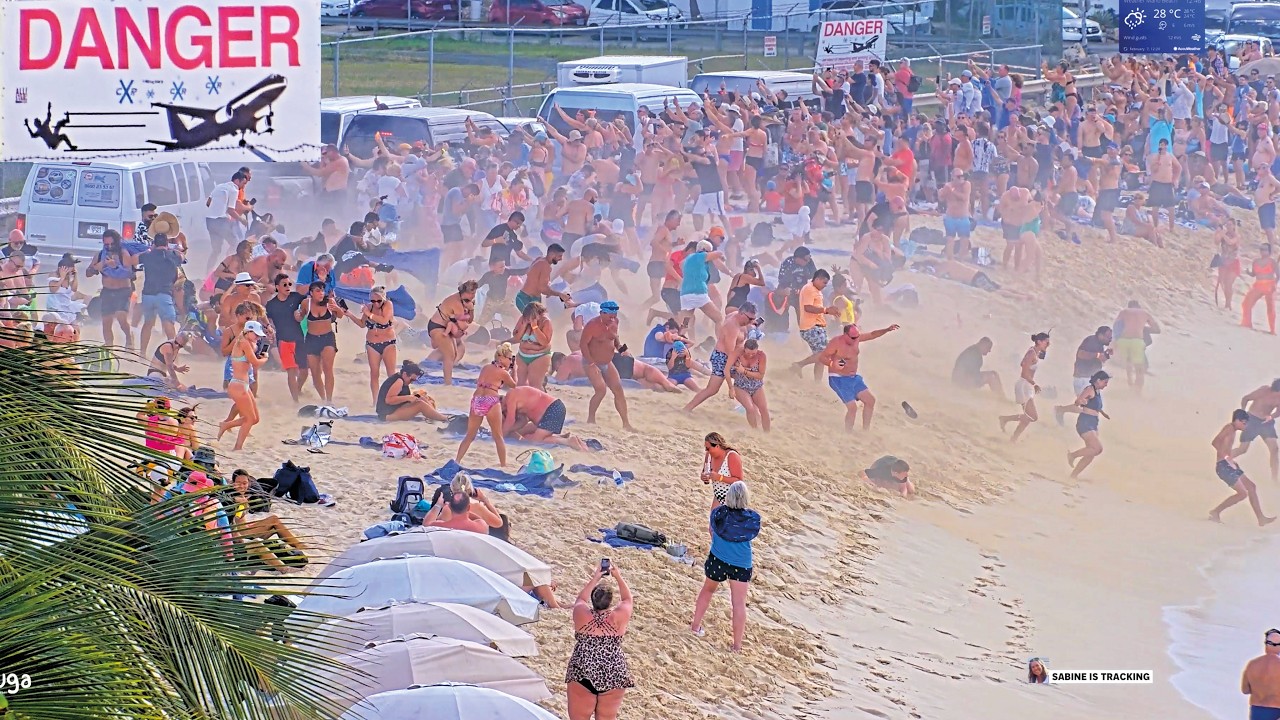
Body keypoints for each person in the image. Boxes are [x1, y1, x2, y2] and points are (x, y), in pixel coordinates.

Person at [689, 481, 760, 654]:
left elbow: (711, 530)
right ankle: (736, 646)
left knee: (707, 590)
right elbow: (751, 534)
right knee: (738, 603)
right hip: (741, 564)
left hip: (718, 558)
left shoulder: (719, 514)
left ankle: (695, 626)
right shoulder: (752, 519)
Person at [566, 561, 634, 720]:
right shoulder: (618, 617)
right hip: (613, 671)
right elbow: (627, 599)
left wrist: (596, 577)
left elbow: (581, 598)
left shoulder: (581, 614)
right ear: (610, 601)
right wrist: (618, 576)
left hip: (583, 670)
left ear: (593, 599)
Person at [817, 323, 901, 431]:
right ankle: (848, 433)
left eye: (857, 337)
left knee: (870, 400)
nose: (855, 339)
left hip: (853, 378)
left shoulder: (856, 339)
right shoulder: (836, 342)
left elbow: (872, 334)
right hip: (838, 379)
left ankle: (865, 431)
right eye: (853, 337)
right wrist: (832, 364)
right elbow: (822, 357)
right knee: (852, 408)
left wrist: (887, 329)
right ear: (845, 335)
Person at [229, 469, 308, 573]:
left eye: (244, 483)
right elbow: (233, 521)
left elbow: (239, 518)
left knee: (273, 522)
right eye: (238, 483)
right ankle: (297, 546)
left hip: (245, 530)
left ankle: (297, 545)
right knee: (274, 520)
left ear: (249, 483)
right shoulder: (234, 498)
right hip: (242, 535)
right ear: (232, 483)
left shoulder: (242, 496)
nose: (242, 486)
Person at [684, 303, 758, 413]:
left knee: (749, 382)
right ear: (742, 314)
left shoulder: (739, 318)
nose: (751, 321)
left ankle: (751, 410)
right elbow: (730, 351)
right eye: (750, 319)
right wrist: (740, 364)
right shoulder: (732, 326)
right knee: (712, 389)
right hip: (723, 357)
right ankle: (686, 409)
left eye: (753, 319)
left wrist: (752, 327)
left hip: (728, 356)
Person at [456, 343, 518, 467]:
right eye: (509, 358)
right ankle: (503, 465)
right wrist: (514, 370)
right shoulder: (503, 373)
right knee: (498, 436)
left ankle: (457, 460)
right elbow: (514, 385)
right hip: (491, 400)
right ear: (501, 357)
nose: (511, 361)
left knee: (469, 435)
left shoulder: (485, 368)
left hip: (477, 399)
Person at [1210, 409, 1276, 526]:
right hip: (1223, 466)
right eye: (1244, 423)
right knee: (1242, 494)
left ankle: (1261, 518)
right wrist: (1226, 457)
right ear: (1237, 420)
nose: (1245, 426)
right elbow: (1215, 442)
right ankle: (1215, 512)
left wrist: (1230, 460)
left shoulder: (1232, 430)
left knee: (1251, 487)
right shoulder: (1229, 428)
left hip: (1229, 465)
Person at [580, 301, 634, 431]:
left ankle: (626, 423)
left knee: (618, 390)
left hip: (607, 362)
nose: (612, 319)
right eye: (610, 316)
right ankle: (591, 419)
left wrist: (622, 349)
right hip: (591, 362)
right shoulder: (592, 325)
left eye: (614, 316)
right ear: (602, 313)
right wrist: (592, 364)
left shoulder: (615, 322)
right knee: (601, 390)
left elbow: (614, 339)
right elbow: (583, 345)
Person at [217, 320, 269, 451]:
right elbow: (255, 362)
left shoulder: (247, 341)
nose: (258, 337)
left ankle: (226, 425)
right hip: (238, 385)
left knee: (255, 419)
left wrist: (256, 344)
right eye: (256, 335)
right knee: (249, 419)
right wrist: (265, 358)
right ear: (247, 331)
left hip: (243, 384)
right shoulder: (243, 342)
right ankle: (237, 447)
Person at [294, 281, 347, 405]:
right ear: (311, 293)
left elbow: (340, 316)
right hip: (311, 339)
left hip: (327, 338)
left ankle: (329, 400)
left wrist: (337, 309)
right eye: (318, 291)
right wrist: (297, 315)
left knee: (328, 369)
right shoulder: (306, 303)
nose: (321, 293)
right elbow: (300, 317)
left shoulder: (330, 302)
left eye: (322, 290)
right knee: (315, 372)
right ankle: (323, 398)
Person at [86, 229, 136, 348]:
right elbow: (88, 273)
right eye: (106, 244)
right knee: (106, 322)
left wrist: (116, 266)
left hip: (123, 291)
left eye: (112, 244)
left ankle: (129, 337)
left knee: (121, 317)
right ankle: (109, 347)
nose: (109, 247)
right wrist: (96, 268)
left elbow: (130, 274)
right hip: (107, 291)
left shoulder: (123, 254)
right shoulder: (99, 255)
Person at [136, 232, 184, 357]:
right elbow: (182, 256)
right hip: (164, 294)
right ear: (167, 243)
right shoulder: (173, 255)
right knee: (168, 323)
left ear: (154, 243)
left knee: (148, 323)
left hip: (148, 294)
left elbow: (133, 259)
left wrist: (149, 250)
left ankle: (142, 353)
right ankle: (173, 354)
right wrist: (174, 248)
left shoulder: (147, 256)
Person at [501, 385, 589, 451]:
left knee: (536, 441)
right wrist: (510, 430)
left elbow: (510, 420)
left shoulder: (510, 396)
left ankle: (566, 441)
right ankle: (556, 437)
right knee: (524, 434)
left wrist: (500, 435)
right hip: (550, 412)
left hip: (552, 409)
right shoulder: (517, 401)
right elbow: (523, 421)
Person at [264, 273, 308, 402]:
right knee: (291, 371)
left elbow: (308, 303)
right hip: (283, 340)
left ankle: (298, 389)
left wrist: (302, 313)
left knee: (304, 371)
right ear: (277, 287)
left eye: (289, 284)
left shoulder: (296, 297)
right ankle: (295, 401)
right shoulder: (271, 304)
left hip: (299, 339)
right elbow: (267, 319)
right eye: (284, 284)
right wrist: (269, 330)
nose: (288, 286)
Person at [1000, 332, 1051, 443]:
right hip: (1024, 386)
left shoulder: (1035, 352)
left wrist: (1043, 350)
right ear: (1039, 341)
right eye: (1046, 342)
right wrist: (1034, 384)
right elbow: (1024, 373)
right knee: (1032, 417)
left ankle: (1013, 439)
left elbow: (1024, 363)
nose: (1048, 344)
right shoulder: (1032, 353)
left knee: (1028, 417)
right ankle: (1005, 419)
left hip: (1027, 386)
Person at [792, 269, 840, 381]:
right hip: (811, 327)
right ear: (817, 279)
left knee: (821, 357)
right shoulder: (809, 289)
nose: (825, 286)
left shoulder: (814, 289)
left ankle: (817, 382)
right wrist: (826, 310)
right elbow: (807, 307)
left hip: (817, 326)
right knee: (824, 354)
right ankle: (799, 365)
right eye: (824, 283)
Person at [427, 281, 477, 386]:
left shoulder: (464, 300)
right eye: (472, 293)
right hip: (437, 326)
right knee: (449, 355)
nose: (473, 296)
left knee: (454, 354)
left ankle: (447, 380)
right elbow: (464, 325)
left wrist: (471, 310)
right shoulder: (456, 302)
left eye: (474, 293)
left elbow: (469, 321)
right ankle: (448, 384)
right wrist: (468, 313)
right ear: (465, 292)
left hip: (446, 326)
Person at [354, 285, 397, 404]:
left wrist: (369, 314)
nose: (376, 303)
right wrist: (349, 314)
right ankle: (376, 401)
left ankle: (393, 398)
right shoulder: (369, 307)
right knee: (374, 373)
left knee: (391, 373)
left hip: (388, 342)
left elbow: (384, 320)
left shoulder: (388, 305)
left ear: (383, 298)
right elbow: (362, 324)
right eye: (373, 301)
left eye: (379, 300)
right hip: (372, 344)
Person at [1231, 380, 1280, 484]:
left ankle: (1274, 479)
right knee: (1242, 449)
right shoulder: (1263, 390)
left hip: (1266, 423)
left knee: (1275, 449)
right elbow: (1246, 398)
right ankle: (1223, 459)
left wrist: (1271, 416)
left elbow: (1278, 411)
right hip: (1252, 420)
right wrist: (1243, 413)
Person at [1067, 371, 1111, 480]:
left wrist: (1103, 413)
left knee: (1091, 453)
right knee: (1098, 449)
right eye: (1105, 382)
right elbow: (1077, 401)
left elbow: (1095, 406)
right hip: (1085, 422)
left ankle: (1073, 476)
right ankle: (1072, 455)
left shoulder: (1097, 391)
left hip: (1093, 422)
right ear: (1098, 380)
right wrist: (1081, 401)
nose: (1106, 385)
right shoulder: (1090, 389)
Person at [376, 360, 448, 422]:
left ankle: (436, 415)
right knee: (420, 404)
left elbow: (402, 398)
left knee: (421, 397)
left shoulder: (401, 379)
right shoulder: (399, 381)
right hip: (387, 415)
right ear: (405, 374)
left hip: (394, 409)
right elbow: (389, 400)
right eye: (412, 380)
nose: (412, 382)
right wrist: (408, 397)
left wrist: (417, 395)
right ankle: (444, 419)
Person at [1112, 301, 1160, 394]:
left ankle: (1130, 384)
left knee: (1128, 364)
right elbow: (1156, 329)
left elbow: (1116, 326)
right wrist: (1143, 329)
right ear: (1139, 306)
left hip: (1123, 340)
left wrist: (1115, 342)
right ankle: (1137, 392)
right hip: (1137, 341)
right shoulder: (1145, 313)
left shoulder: (1124, 312)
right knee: (1139, 369)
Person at [516, 244, 572, 313]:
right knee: (534, 319)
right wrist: (560, 294)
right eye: (559, 256)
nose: (561, 259)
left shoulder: (539, 259)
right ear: (552, 254)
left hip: (531, 299)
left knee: (540, 318)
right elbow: (543, 289)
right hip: (526, 299)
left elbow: (538, 283)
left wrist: (549, 291)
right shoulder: (545, 266)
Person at [512, 301, 553, 390]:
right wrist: (524, 325)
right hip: (522, 355)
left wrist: (535, 327)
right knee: (520, 384)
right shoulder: (524, 318)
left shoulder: (546, 322)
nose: (528, 319)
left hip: (539, 356)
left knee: (534, 385)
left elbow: (544, 342)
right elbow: (516, 337)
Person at [731, 338, 770, 431]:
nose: (751, 355)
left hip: (756, 385)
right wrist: (730, 387)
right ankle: (755, 430)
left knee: (764, 409)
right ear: (744, 349)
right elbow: (729, 371)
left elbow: (760, 375)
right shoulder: (738, 354)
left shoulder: (761, 356)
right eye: (748, 353)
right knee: (750, 408)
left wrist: (744, 371)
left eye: (753, 353)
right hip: (741, 386)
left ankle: (767, 432)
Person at [1242, 629, 1280, 719]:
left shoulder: (1252, 664)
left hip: (1256, 711)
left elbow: (1245, 690)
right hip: (1276, 712)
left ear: (1266, 644)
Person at [700, 432, 743, 509]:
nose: (706, 450)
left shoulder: (731, 456)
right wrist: (704, 477)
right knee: (714, 516)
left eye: (708, 448)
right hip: (718, 496)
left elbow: (739, 481)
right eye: (706, 448)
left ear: (717, 446)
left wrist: (720, 478)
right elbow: (705, 473)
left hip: (733, 498)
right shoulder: (708, 455)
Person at [1242, 243, 1278, 334]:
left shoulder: (1272, 261)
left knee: (1270, 307)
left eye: (1265, 249)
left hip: (1269, 284)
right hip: (1258, 284)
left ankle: (1272, 330)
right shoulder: (1256, 261)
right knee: (1246, 303)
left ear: (1269, 251)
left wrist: (1274, 285)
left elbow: (1279, 275)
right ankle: (1246, 323)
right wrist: (1248, 272)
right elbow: (1254, 274)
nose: (1262, 251)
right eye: (1261, 249)